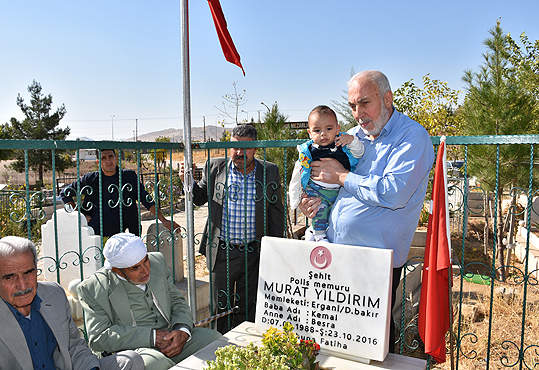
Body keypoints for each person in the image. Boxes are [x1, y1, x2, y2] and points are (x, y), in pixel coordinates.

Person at [298, 70, 435, 352]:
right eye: (352, 106)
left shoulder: (412, 137)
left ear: (387, 98)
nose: (358, 113)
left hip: (374, 260)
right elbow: (328, 183)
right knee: (335, 336)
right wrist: (313, 202)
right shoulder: (353, 137)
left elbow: (393, 193)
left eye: (364, 103)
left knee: (371, 340)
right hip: (333, 251)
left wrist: (341, 177)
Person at [179, 125, 285, 334]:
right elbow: (200, 198)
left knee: (249, 306)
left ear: (255, 148)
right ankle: (219, 347)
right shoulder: (214, 167)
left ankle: (245, 345)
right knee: (220, 307)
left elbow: (276, 213)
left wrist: (275, 250)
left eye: (245, 148)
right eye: (234, 147)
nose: (238, 153)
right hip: (222, 252)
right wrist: (187, 181)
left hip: (253, 252)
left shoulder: (269, 171)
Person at [0, 236, 143, 370]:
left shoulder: (54, 294)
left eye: (28, 273)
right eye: (9, 277)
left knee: (130, 360)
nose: (23, 285)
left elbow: (75, 347)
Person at [77, 233, 221, 370]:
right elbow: (98, 337)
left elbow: (177, 300)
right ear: (117, 271)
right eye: (135, 268)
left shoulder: (157, 261)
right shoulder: (94, 288)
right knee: (156, 364)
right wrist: (151, 337)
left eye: (145, 260)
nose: (145, 270)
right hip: (134, 350)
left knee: (216, 342)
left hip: (171, 335)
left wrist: (182, 330)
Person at [61, 149, 179, 237]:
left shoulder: (128, 176)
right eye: (104, 158)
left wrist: (163, 220)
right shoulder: (90, 179)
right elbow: (65, 193)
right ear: (98, 161)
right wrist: (80, 215)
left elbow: (146, 199)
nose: (108, 161)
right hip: (100, 233)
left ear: (116, 157)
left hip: (127, 232)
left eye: (110, 156)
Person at [289, 105, 364, 242]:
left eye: (329, 128)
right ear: (309, 133)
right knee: (319, 210)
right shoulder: (308, 151)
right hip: (317, 191)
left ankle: (312, 231)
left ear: (337, 129)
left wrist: (352, 140)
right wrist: (295, 199)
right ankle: (319, 236)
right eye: (317, 130)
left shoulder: (342, 144)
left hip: (339, 191)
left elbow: (359, 153)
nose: (323, 133)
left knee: (334, 215)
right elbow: (297, 173)